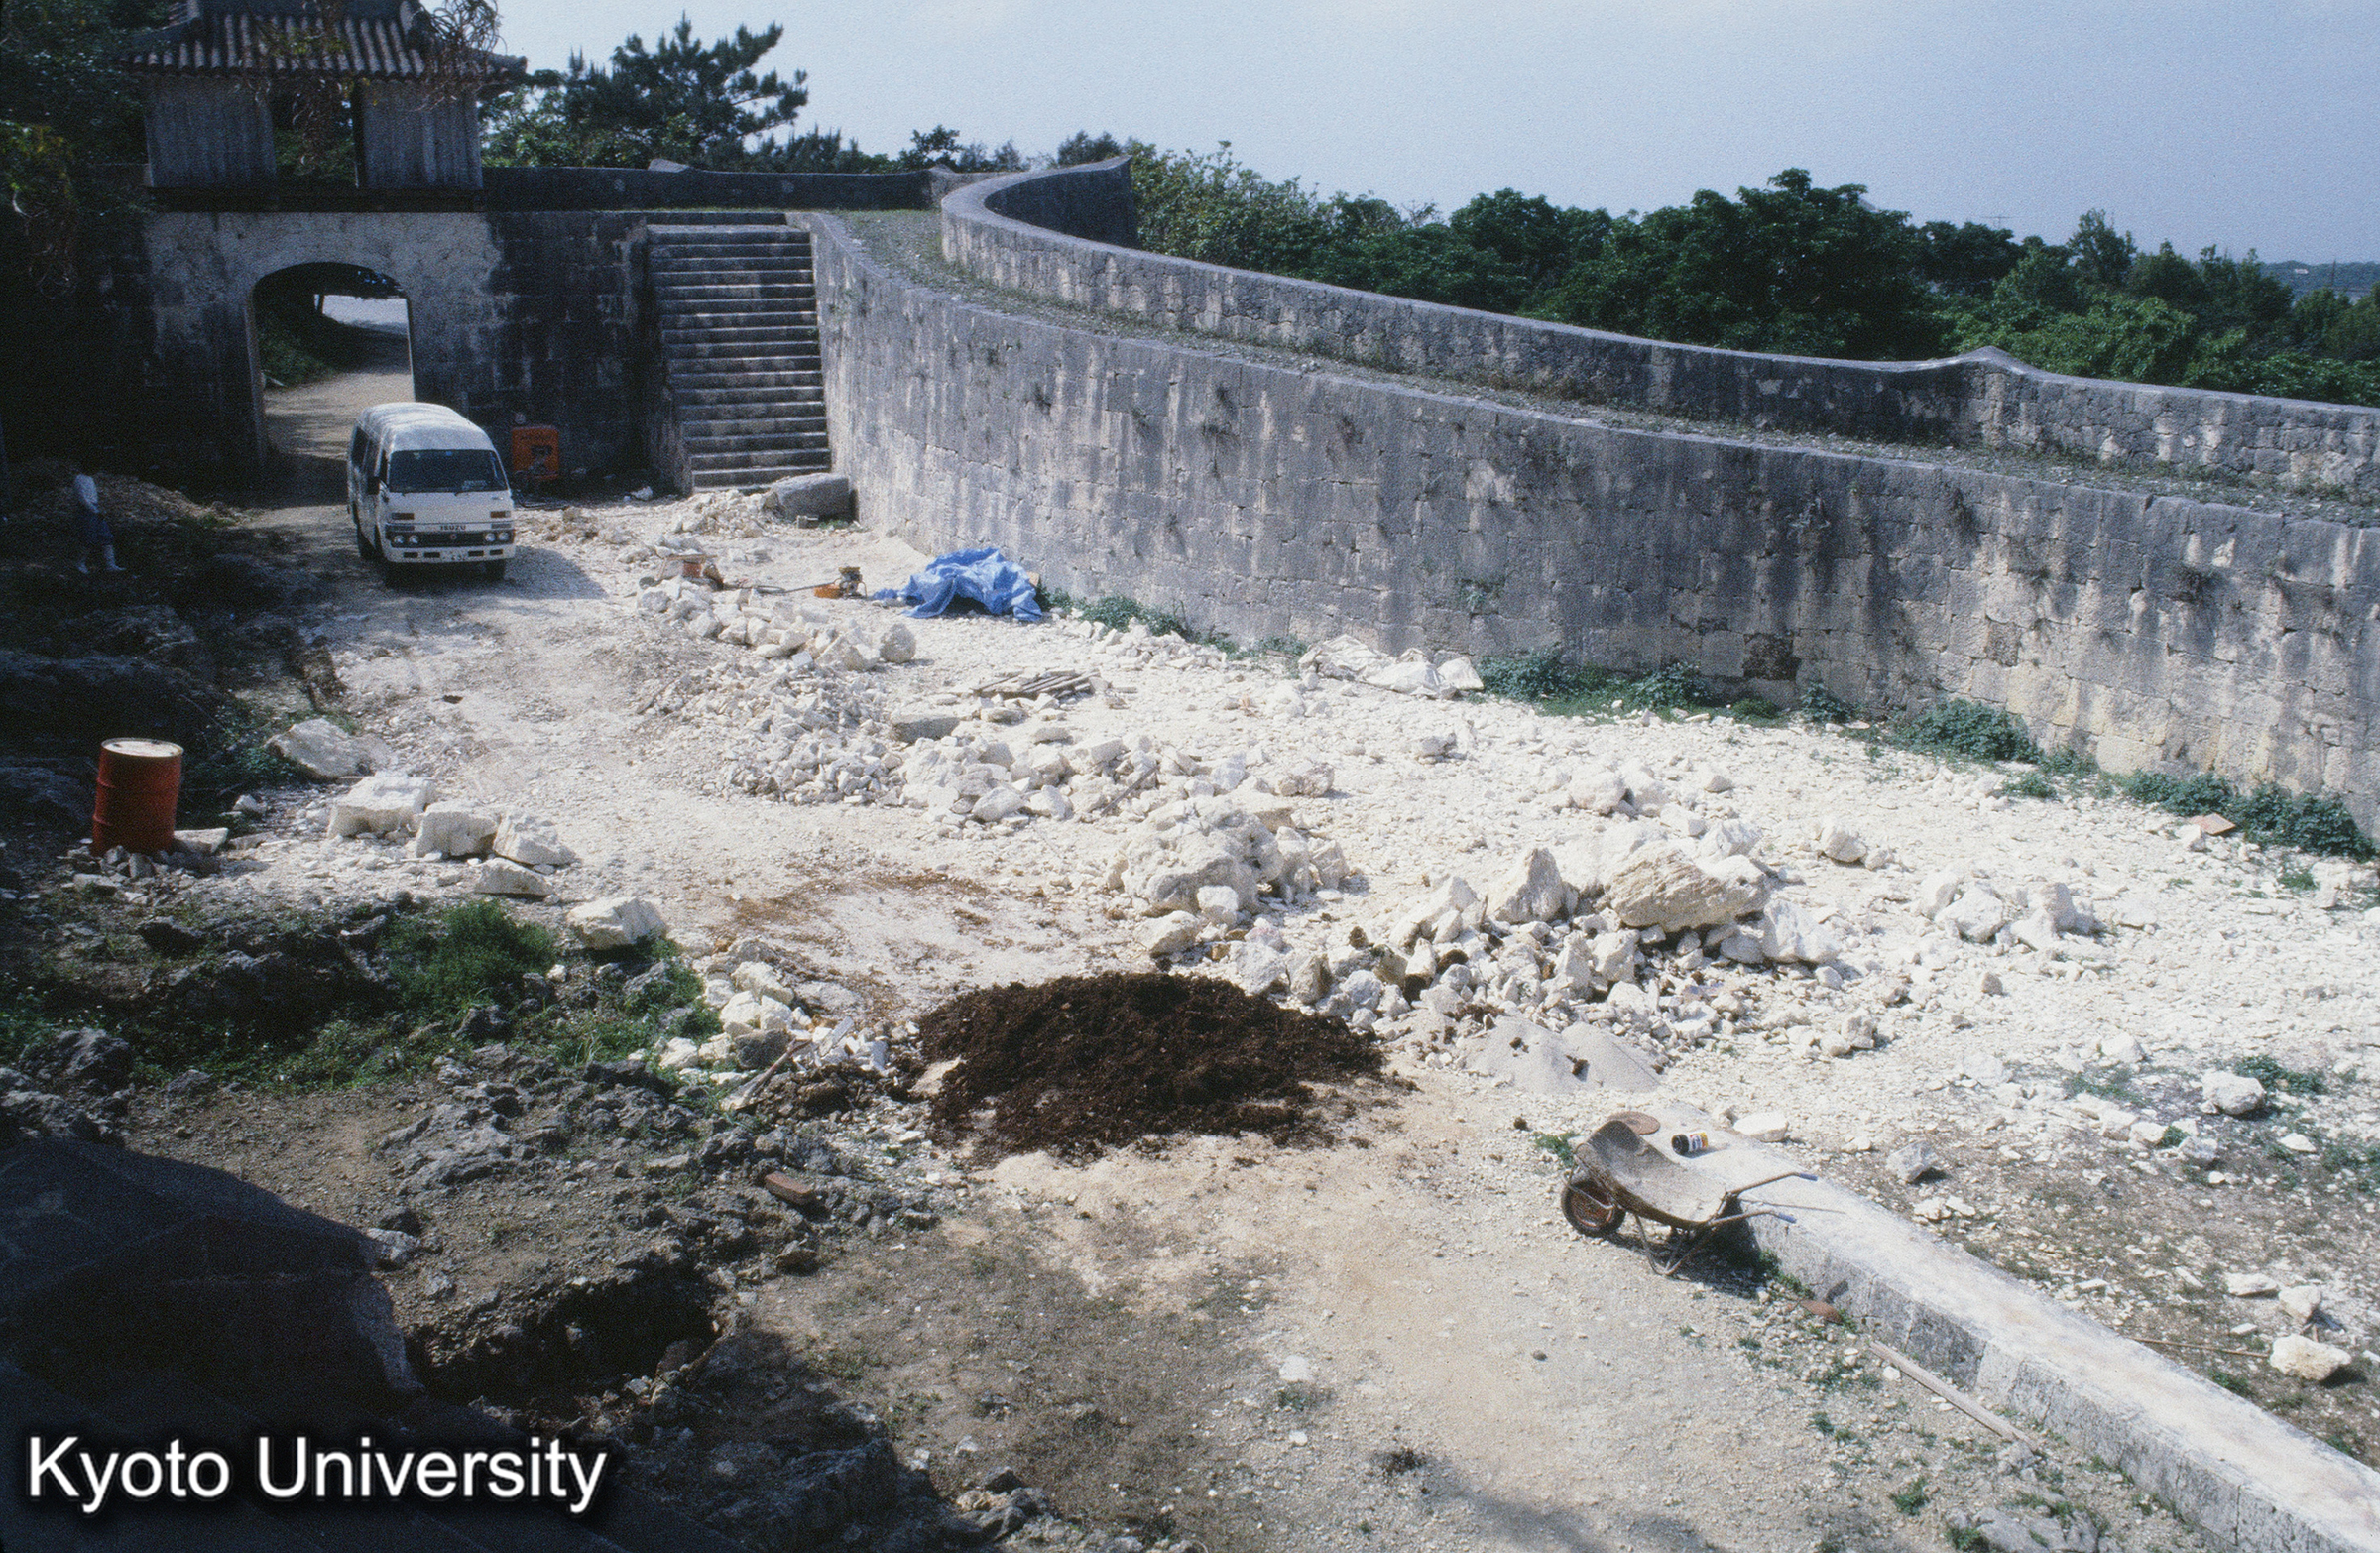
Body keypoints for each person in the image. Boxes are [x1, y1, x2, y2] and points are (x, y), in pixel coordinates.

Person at [71, 463, 122, 575]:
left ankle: (110, 565)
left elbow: (93, 497)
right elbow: (83, 499)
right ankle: (80, 564)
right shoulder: (79, 479)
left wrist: (97, 510)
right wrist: (94, 510)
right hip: (87, 511)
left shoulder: (90, 478)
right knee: (88, 537)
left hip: (95, 509)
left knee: (106, 536)